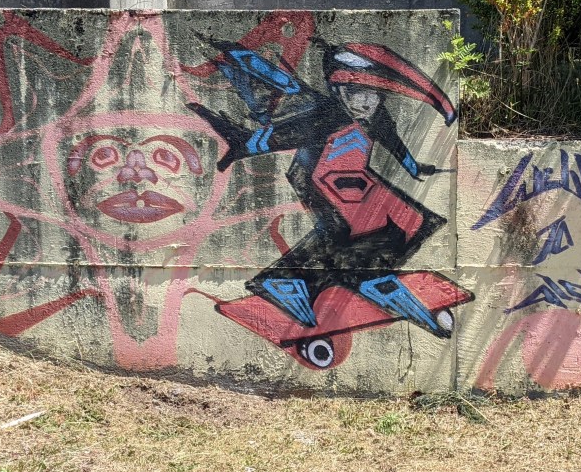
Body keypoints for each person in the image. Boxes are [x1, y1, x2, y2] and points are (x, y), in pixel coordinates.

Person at [189, 40, 458, 335]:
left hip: (354, 181)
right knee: (343, 233)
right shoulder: (325, 115)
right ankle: (305, 279)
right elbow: (274, 137)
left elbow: (394, 144)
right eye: (357, 93)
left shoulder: (377, 116)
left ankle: (332, 277)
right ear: (339, 90)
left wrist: (414, 167)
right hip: (317, 182)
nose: (367, 103)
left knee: (412, 221)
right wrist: (240, 143)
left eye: (374, 95)